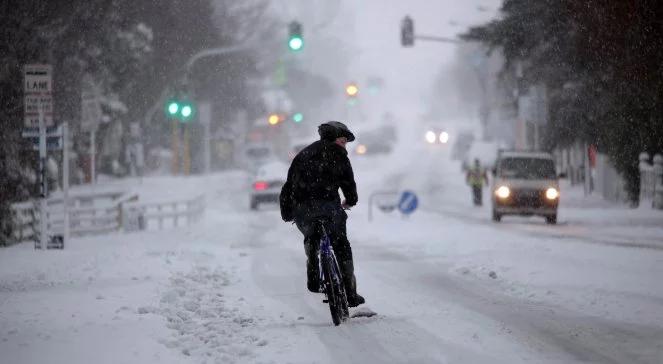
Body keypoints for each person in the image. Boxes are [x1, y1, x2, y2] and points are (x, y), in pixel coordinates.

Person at [279, 121, 365, 307]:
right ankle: (350, 293)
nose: (344, 146)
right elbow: (348, 183)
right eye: (343, 141)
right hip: (329, 208)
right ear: (334, 138)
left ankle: (313, 276)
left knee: (312, 236)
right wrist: (350, 201)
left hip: (303, 211)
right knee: (341, 244)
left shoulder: (303, 154)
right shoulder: (338, 155)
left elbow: (289, 185)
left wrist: (289, 212)